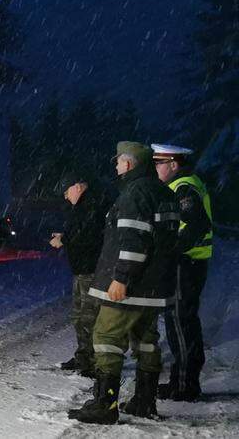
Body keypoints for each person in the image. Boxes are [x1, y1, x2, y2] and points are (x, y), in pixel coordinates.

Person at [68, 141, 178, 425]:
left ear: (129, 164)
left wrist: (121, 278)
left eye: (118, 162)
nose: (116, 166)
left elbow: (133, 240)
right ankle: (144, 401)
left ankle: (105, 405)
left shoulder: (135, 193)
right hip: (154, 287)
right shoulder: (163, 192)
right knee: (146, 341)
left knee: (105, 338)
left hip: (133, 287)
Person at [152, 143, 214, 402]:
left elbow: (198, 222)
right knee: (182, 321)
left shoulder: (183, 187)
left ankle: (186, 385)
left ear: (173, 165)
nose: (155, 168)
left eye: (159, 163)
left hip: (185, 264)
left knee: (180, 322)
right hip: (189, 263)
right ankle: (181, 380)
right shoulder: (185, 184)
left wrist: (173, 249)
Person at [50, 170, 112, 377]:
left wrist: (64, 240)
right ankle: (84, 357)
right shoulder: (84, 206)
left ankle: (93, 362)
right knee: (79, 317)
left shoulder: (92, 205)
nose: (66, 197)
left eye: (67, 192)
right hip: (82, 271)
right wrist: (65, 236)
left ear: (77, 187)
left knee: (89, 318)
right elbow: (81, 231)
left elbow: (88, 235)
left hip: (91, 271)